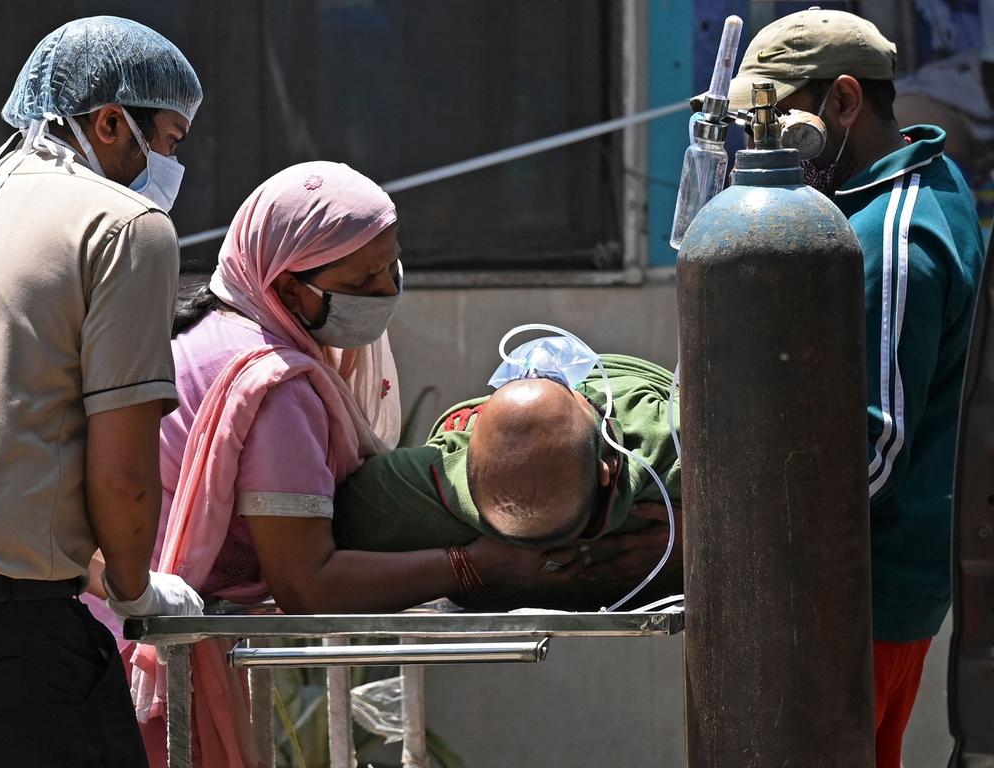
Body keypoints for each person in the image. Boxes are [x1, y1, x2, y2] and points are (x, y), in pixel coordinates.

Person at [93, 161, 583, 767]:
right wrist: (475, 565)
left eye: (390, 267)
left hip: (103, 638)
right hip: (143, 673)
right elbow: (307, 583)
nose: (385, 292)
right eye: (363, 279)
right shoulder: (274, 385)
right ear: (290, 288)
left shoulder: (204, 333)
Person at [726, 9, 985, 767]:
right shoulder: (894, 194)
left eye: (777, 123)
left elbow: (871, 450)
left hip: (861, 591)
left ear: (843, 103)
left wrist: (735, 524)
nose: (762, 146)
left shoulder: (889, 236)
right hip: (864, 587)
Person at [0, 16, 203, 767]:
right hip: (13, 650)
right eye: (167, 139)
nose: (169, 162)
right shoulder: (125, 228)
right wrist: (136, 589)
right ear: (109, 122)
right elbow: (124, 477)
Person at [334, 351, 683, 610]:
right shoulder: (678, 447)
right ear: (606, 466)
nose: (540, 367)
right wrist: (699, 543)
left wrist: (470, 565)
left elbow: (311, 563)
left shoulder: (406, 494)